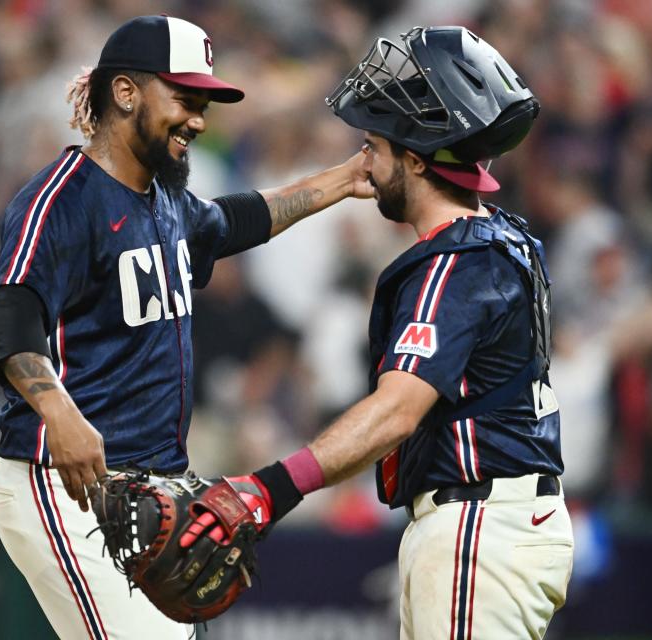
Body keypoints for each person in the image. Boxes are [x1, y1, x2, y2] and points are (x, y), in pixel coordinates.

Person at [0, 15, 370, 640]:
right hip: (67, 486)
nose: (198, 118)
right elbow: (11, 308)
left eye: (204, 103)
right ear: (126, 92)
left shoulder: (164, 199)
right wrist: (57, 409)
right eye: (185, 99)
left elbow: (235, 220)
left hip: (149, 489)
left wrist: (339, 182)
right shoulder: (61, 198)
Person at [181, 26, 574, 639]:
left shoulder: (457, 263)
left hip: (478, 520)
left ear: (415, 160)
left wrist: (270, 488)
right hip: (493, 516)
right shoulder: (499, 238)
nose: (363, 162)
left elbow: (396, 411)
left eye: (373, 146)